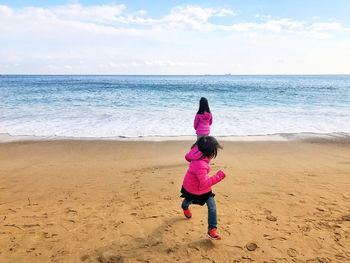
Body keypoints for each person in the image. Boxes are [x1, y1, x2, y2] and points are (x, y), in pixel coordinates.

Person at [180, 136, 226, 240]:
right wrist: (219, 176)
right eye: (213, 152)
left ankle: (212, 229)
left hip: (191, 186)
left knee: (190, 199)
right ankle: (185, 207)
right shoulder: (201, 164)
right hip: (196, 189)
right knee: (211, 207)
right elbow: (204, 183)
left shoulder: (196, 154)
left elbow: (188, 156)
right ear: (208, 152)